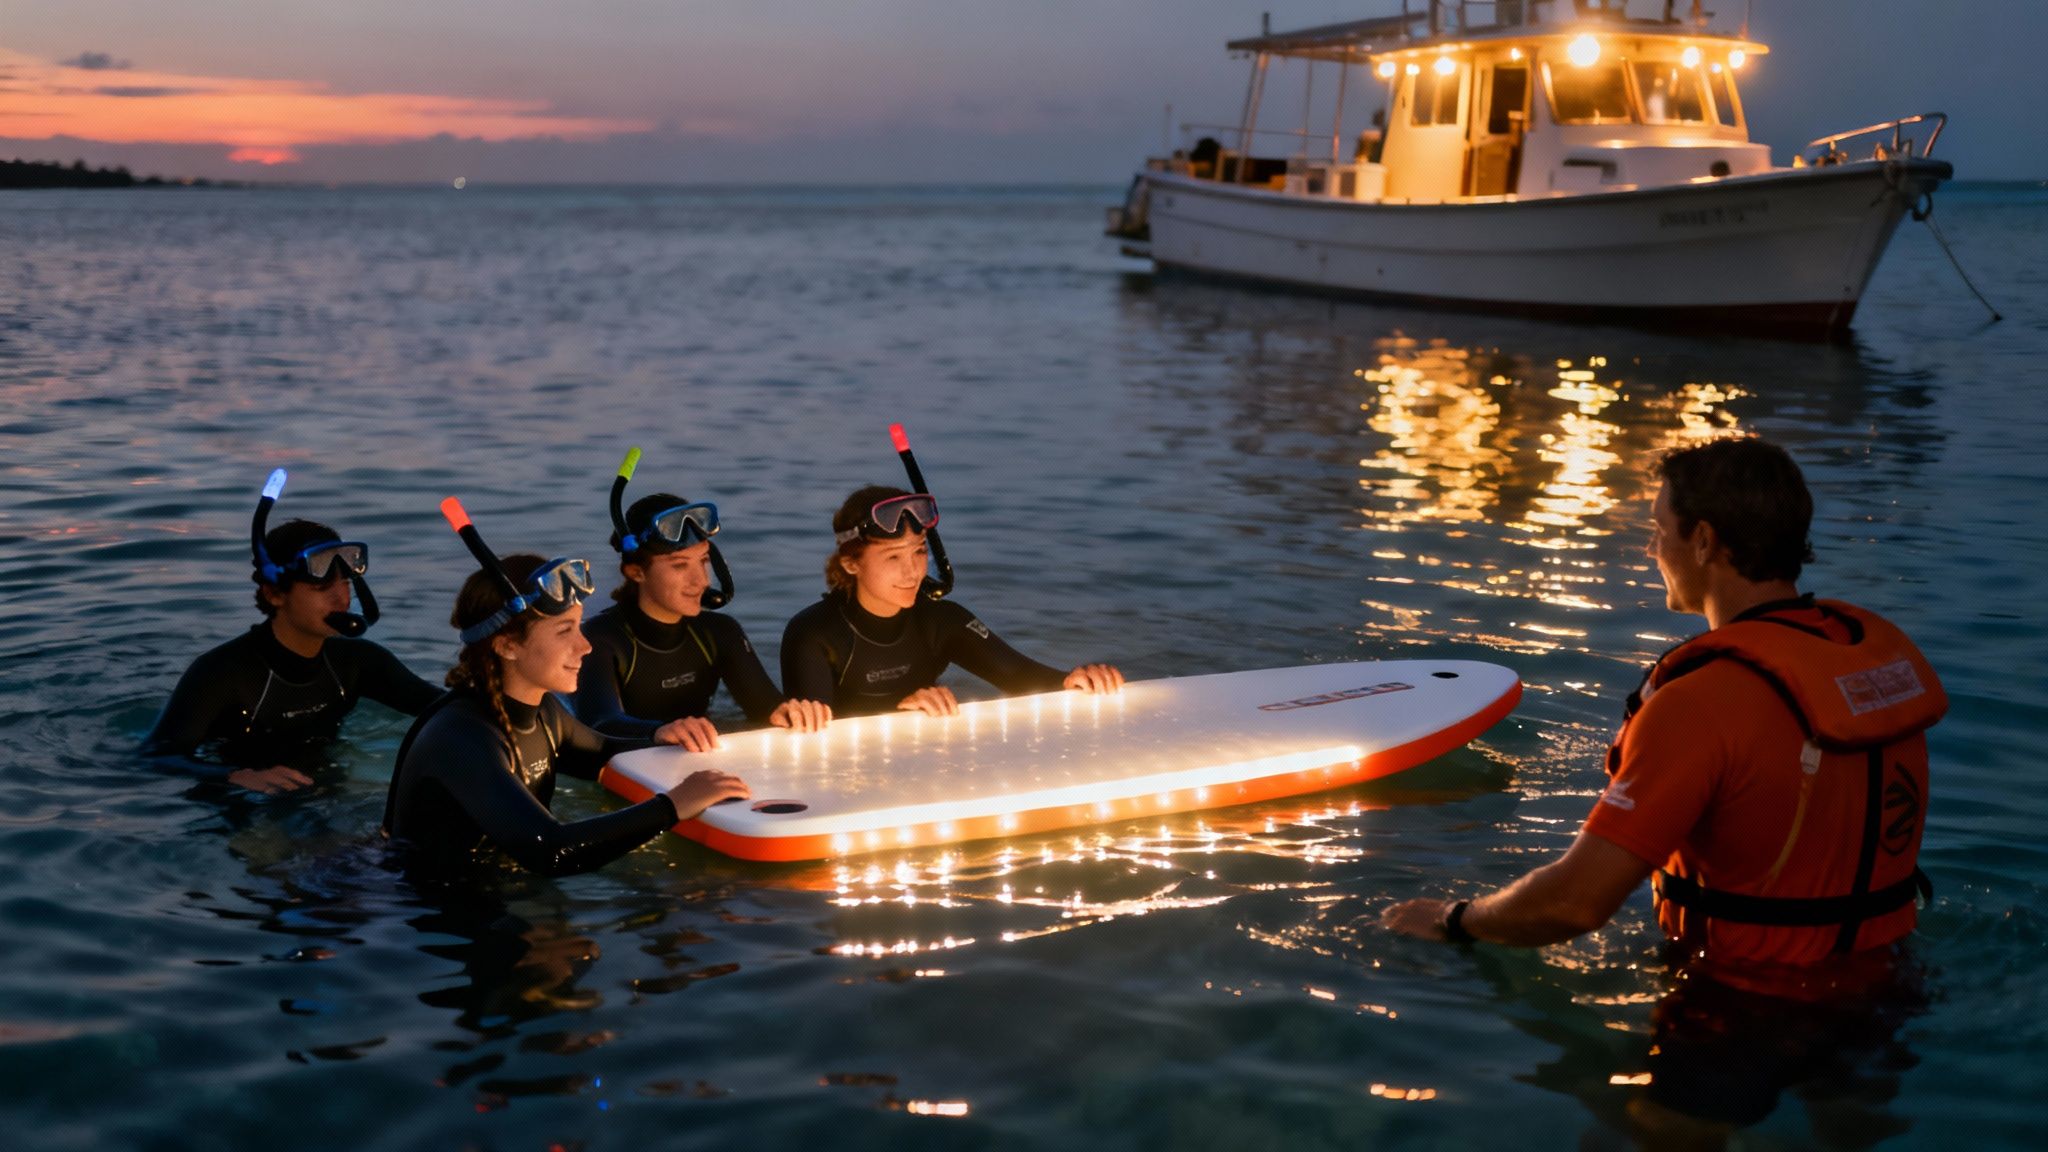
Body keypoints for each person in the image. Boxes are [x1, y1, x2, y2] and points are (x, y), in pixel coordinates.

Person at [1383, 437, 1946, 992]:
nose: (1651, 550)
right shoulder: (1861, 671)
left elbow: (1576, 903)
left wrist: (1454, 918)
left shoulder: (1699, 705)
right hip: (1890, 988)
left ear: (1703, 541)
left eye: (1657, 530)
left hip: (1743, 1008)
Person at [381, 500, 749, 878]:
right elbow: (551, 852)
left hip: (489, 889)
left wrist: (659, 734)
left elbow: (601, 752)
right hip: (420, 908)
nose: (585, 646)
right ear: (507, 645)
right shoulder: (460, 738)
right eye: (563, 631)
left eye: (579, 625)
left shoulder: (542, 712)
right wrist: (672, 806)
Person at [147, 470, 441, 794]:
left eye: (345, 583)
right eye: (322, 586)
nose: (341, 598)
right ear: (275, 594)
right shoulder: (221, 674)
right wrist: (232, 777)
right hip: (244, 803)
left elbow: (442, 705)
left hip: (324, 790)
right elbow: (156, 757)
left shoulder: (358, 664)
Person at [780, 484, 1124, 717]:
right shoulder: (813, 634)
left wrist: (1073, 680)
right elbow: (814, 735)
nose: (913, 571)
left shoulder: (941, 621)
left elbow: (1018, 674)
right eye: (892, 558)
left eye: (919, 552)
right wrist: (900, 714)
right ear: (851, 563)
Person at [573, 451, 828, 748]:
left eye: (704, 562)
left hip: (694, 751)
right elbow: (600, 723)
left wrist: (793, 713)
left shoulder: (720, 632)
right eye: (680, 565)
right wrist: (660, 731)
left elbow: (766, 708)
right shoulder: (601, 640)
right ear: (636, 572)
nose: (702, 581)